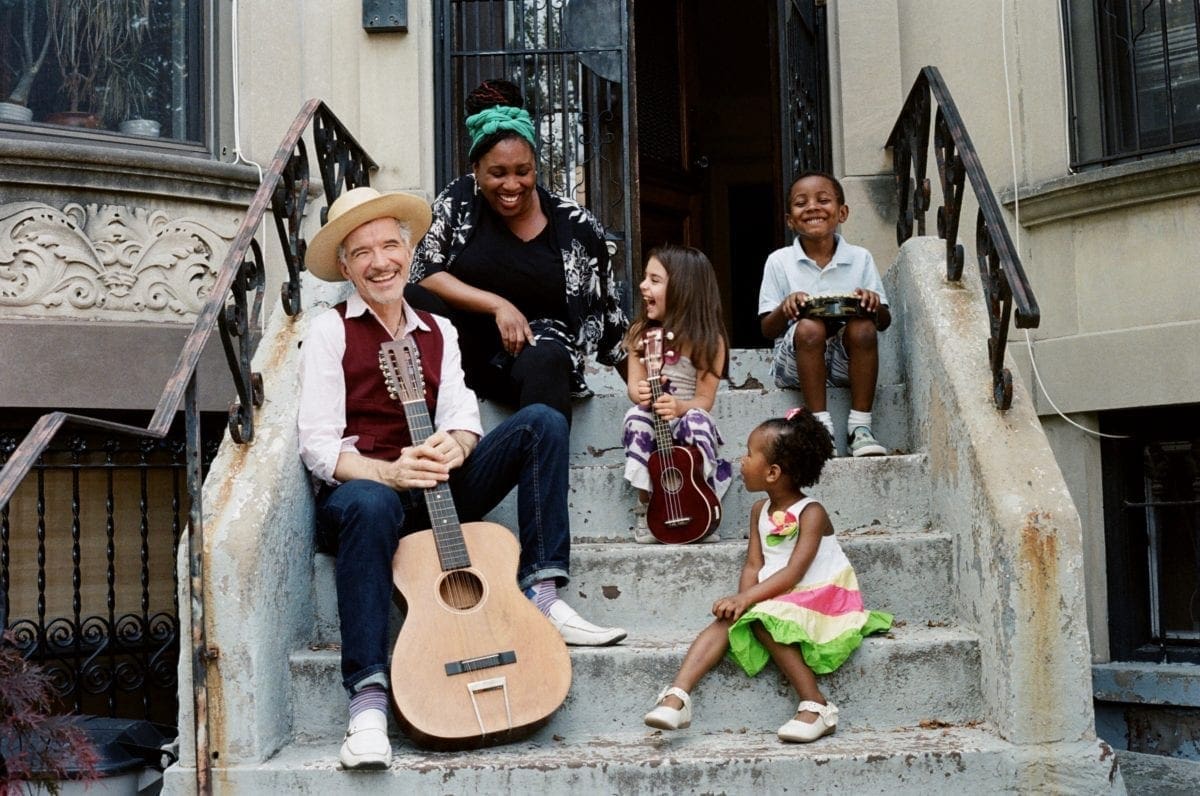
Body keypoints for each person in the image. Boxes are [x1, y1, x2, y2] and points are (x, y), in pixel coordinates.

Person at [297, 186, 627, 771]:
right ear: (346, 268)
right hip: (363, 501)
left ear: (408, 251)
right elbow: (319, 449)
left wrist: (456, 446)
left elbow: (464, 419)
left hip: (437, 492)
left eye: (390, 245)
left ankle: (543, 593)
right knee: (371, 505)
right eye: (362, 252)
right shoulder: (330, 332)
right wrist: (389, 472)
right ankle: (368, 705)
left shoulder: (437, 330)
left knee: (542, 422)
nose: (380, 262)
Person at [642, 408, 892, 742]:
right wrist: (741, 601)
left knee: (762, 618)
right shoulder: (759, 510)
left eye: (749, 455)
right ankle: (677, 697)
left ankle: (816, 705)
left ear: (773, 472)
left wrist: (748, 600)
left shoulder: (811, 512)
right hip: (776, 595)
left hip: (820, 596)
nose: (742, 461)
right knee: (727, 622)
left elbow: (794, 572)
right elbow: (753, 566)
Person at [408, 78, 628, 422]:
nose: (512, 185)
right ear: (476, 170)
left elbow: (611, 322)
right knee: (410, 298)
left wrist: (650, 399)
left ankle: (543, 450)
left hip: (536, 364)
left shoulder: (576, 224)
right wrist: (498, 305)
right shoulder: (460, 199)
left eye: (522, 171)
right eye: (497, 173)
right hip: (462, 357)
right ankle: (411, 421)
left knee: (548, 355)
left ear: (535, 166)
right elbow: (424, 273)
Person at [758, 171, 892, 457]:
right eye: (801, 203)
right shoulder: (779, 261)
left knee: (863, 327)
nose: (812, 208)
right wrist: (785, 308)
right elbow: (767, 329)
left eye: (823, 200)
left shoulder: (860, 258)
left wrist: (873, 304)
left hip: (846, 365)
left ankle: (860, 428)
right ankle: (820, 428)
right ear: (790, 220)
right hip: (795, 366)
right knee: (810, 327)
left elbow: (884, 322)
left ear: (842, 213)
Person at [621, 244, 732, 544]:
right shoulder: (640, 334)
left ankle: (699, 499)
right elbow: (634, 386)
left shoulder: (709, 341)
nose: (643, 285)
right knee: (635, 417)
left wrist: (680, 406)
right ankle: (646, 507)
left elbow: (705, 400)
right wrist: (641, 393)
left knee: (698, 419)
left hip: (683, 421)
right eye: (645, 277)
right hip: (654, 421)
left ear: (684, 290)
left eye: (654, 280)